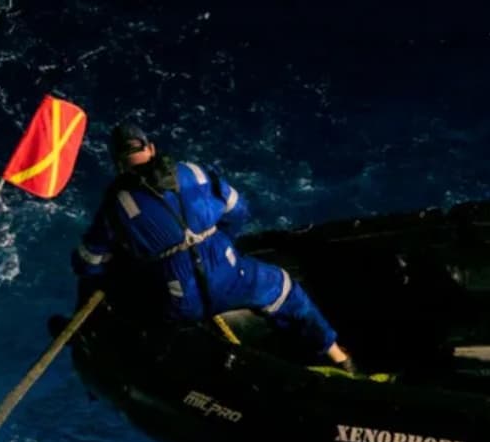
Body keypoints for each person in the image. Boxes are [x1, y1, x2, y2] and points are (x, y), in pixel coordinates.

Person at [72, 121, 356, 371]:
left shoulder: (115, 205)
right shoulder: (193, 173)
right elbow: (238, 210)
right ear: (151, 147)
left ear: (117, 162)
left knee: (137, 303)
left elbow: (89, 262)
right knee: (284, 288)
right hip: (232, 277)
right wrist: (220, 246)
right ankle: (339, 358)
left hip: (182, 302)